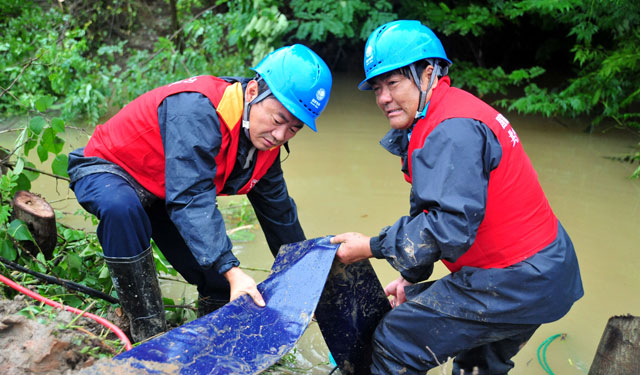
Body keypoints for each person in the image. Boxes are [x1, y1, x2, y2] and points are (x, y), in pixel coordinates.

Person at [330, 20, 583, 375]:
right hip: (542, 274)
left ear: (428, 73)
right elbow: (433, 213)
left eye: (393, 83)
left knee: (395, 336)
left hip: (520, 279)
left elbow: (448, 228)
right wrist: (410, 275)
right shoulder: (442, 115)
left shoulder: (451, 129)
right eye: (376, 88)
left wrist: (371, 245)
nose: (383, 98)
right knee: (477, 363)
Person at [67, 44, 332, 342]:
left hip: (165, 191)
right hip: (110, 170)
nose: (280, 136)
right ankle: (147, 329)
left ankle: (215, 336)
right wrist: (232, 269)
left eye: (294, 129)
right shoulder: (197, 111)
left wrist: (305, 272)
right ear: (253, 91)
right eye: (278, 120)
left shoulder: (264, 143)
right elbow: (192, 199)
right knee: (122, 208)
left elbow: (279, 214)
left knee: (221, 278)